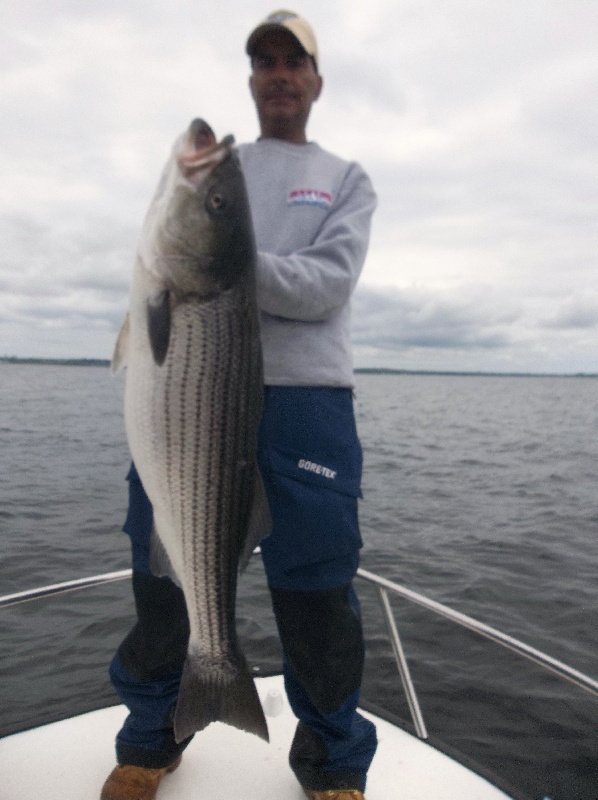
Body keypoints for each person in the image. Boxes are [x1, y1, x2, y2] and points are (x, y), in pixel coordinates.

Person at [101, 10, 378, 800]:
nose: (280, 74)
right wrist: (205, 244)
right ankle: (152, 740)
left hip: (306, 406)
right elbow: (174, 264)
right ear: (252, 78)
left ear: (316, 82)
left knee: (319, 596)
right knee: (160, 584)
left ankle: (332, 763)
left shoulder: (346, 178)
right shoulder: (218, 167)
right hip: (185, 412)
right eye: (265, 61)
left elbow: (329, 283)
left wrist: (232, 262)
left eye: (296, 62)